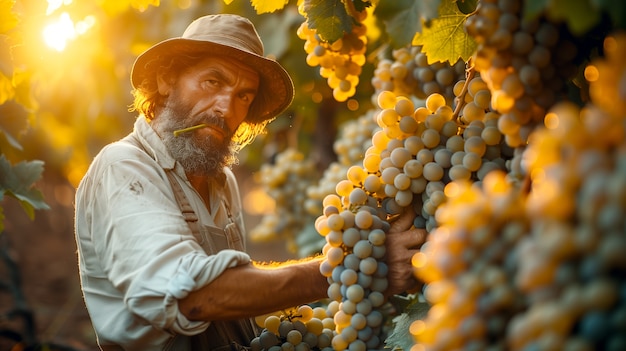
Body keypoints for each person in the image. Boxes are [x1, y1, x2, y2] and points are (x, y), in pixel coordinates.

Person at [74, 14, 426, 351]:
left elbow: (235, 299)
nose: (226, 108)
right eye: (213, 82)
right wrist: (354, 269)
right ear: (167, 80)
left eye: (244, 95)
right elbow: (195, 297)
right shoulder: (123, 167)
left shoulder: (220, 181)